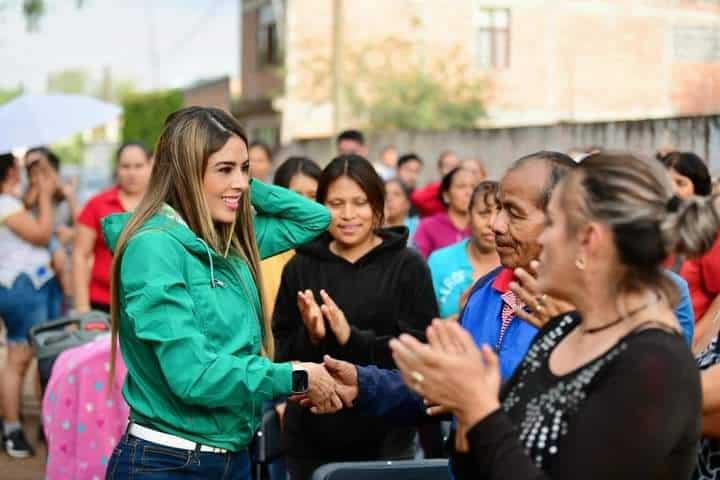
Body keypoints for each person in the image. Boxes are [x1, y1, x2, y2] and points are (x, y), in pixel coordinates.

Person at [389, 152, 712, 479]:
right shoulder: (562, 330)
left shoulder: (655, 363)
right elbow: (478, 465)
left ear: (589, 240)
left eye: (554, 223)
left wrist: (479, 408)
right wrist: (469, 407)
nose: (542, 238)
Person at [102, 107, 337, 479]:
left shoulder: (230, 239)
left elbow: (314, 219)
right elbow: (192, 375)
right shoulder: (153, 248)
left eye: (245, 169)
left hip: (232, 459)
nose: (242, 182)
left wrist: (235, 184)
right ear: (184, 173)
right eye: (224, 169)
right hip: (168, 464)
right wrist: (294, 375)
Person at [272, 154, 438, 480]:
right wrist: (314, 337)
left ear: (378, 206)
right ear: (320, 207)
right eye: (336, 203)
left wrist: (352, 338)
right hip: (311, 439)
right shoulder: (301, 266)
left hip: (388, 440)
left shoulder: (408, 266)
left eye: (360, 202)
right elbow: (284, 354)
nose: (348, 215)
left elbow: (420, 355)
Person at [0, 153, 57, 458]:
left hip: (30, 286)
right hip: (22, 289)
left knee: (28, 357)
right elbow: (41, 233)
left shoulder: (11, 202)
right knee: (19, 359)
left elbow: (27, 203)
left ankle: (19, 426)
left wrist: (39, 185)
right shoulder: (5, 204)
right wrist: (45, 196)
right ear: (10, 171)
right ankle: (11, 430)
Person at [72, 142, 152, 314]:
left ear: (150, 166)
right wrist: (81, 307)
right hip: (102, 303)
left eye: (138, 166)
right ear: (117, 168)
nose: (132, 173)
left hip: (149, 302)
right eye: (125, 166)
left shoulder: (162, 206)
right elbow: (80, 254)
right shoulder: (96, 204)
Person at [428, 181, 500, 321]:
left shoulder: (517, 267)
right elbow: (422, 327)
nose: (492, 223)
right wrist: (461, 317)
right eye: (484, 213)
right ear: (469, 215)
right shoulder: (439, 261)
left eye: (500, 213)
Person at [261, 156, 323, 312]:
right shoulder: (262, 250)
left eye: (313, 196)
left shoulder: (333, 247)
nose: (305, 205)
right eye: (296, 196)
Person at [24, 147, 77, 307]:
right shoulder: (28, 192)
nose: (39, 174)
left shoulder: (63, 192)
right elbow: (27, 206)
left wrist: (71, 233)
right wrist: (40, 189)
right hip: (39, 262)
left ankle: (68, 294)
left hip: (61, 248)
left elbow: (81, 225)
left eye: (43, 168)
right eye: (31, 169)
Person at [413, 167, 479, 259]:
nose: (469, 192)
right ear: (446, 195)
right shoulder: (428, 226)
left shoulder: (483, 227)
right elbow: (417, 264)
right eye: (461, 186)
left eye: (474, 187)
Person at [410, 151, 461, 217]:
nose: (451, 169)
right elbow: (416, 198)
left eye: (454, 166)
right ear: (440, 168)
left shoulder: (466, 190)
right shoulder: (433, 189)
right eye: (447, 165)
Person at [384, 178, 419, 244]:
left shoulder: (418, 228)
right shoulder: (372, 228)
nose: (389, 198)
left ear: (407, 203)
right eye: (385, 194)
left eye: (396, 194)